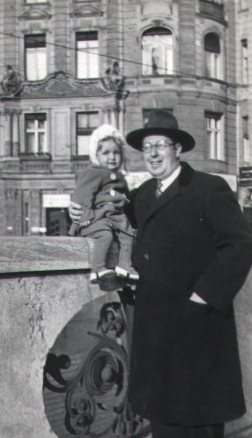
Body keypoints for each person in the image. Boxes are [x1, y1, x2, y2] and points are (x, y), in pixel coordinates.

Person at [69, 110, 252, 438]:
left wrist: (203, 297)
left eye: (161, 145)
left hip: (198, 329)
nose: (152, 153)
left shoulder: (208, 188)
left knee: (199, 424)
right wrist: (79, 210)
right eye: (147, 147)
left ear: (177, 149)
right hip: (156, 334)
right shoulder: (142, 195)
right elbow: (111, 217)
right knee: (164, 423)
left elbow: (240, 246)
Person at [69, 124, 139, 284]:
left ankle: (124, 266)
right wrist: (85, 217)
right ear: (96, 155)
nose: (112, 157)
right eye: (106, 153)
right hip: (96, 219)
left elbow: (126, 199)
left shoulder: (120, 177)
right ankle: (97, 268)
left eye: (116, 152)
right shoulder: (92, 173)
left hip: (116, 219)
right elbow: (81, 196)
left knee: (128, 236)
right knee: (104, 235)